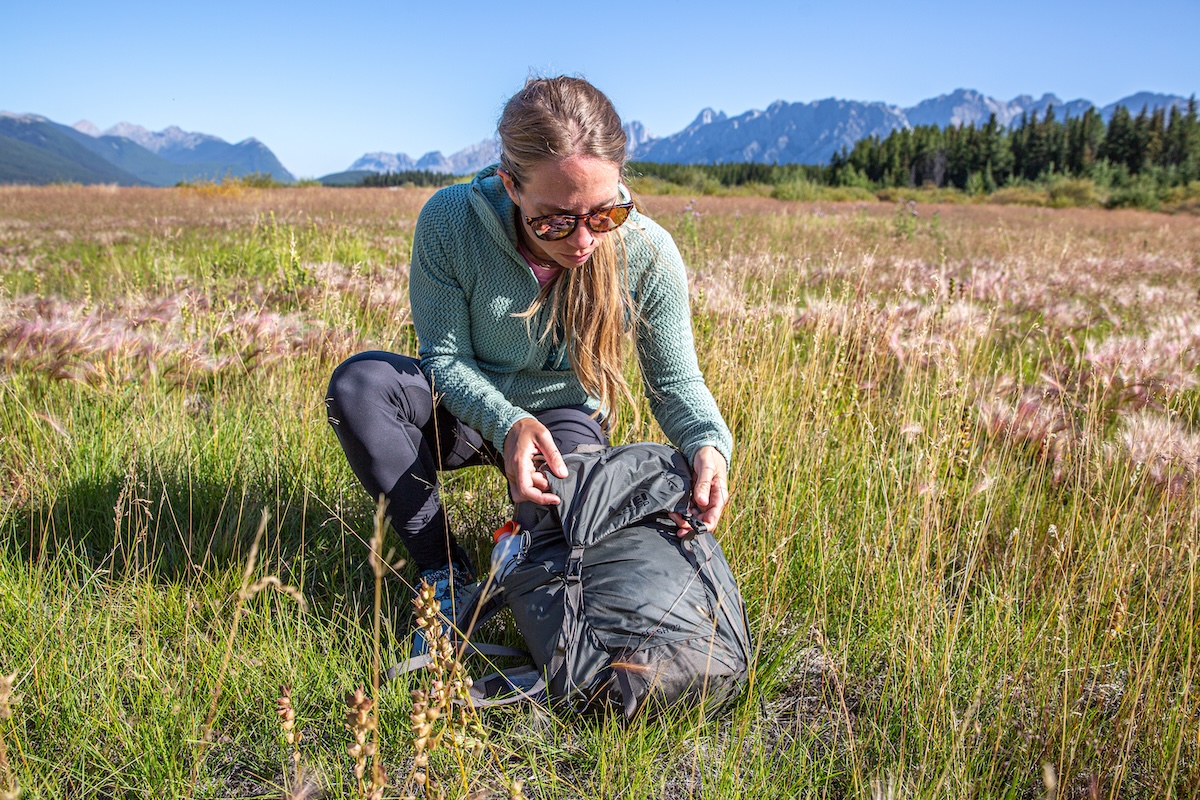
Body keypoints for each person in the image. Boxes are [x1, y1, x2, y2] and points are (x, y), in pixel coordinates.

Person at [324, 76, 733, 648]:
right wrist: (507, 421)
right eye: (556, 220)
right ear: (510, 186)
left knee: (568, 549)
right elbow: (443, 358)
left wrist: (707, 444)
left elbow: (674, 380)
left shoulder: (648, 249)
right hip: (462, 408)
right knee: (360, 386)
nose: (584, 239)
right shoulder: (450, 221)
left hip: (563, 419)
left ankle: (521, 554)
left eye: (604, 214)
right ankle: (444, 574)